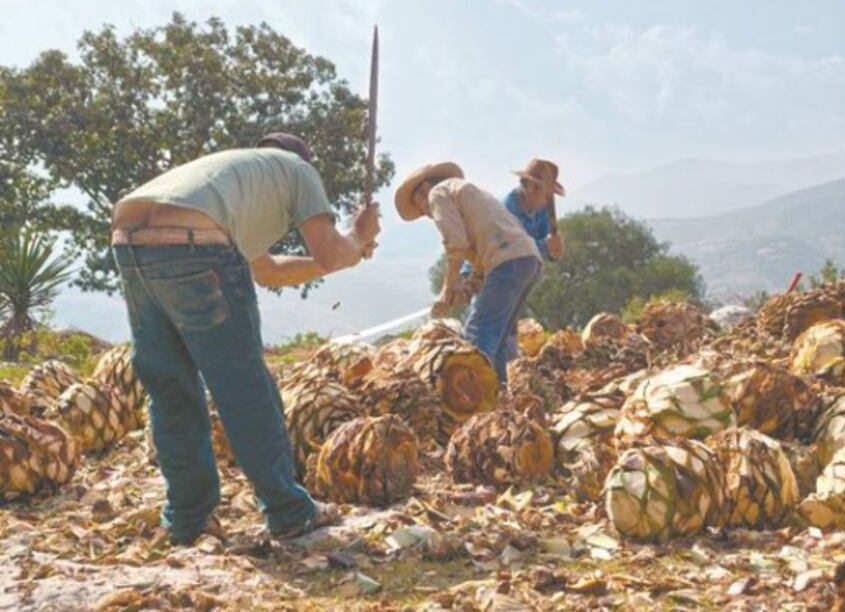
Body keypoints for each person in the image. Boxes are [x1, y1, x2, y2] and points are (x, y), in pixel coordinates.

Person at [110, 132, 380, 545]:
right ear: (302, 159)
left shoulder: (230, 177)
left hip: (130, 245)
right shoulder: (298, 169)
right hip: (196, 246)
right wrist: (358, 237)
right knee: (245, 386)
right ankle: (288, 510)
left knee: (170, 389)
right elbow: (329, 252)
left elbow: (269, 270)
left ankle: (187, 519)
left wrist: (345, 254)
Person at [394, 162, 541, 385]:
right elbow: (481, 252)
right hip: (527, 259)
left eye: (423, 208)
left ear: (425, 189)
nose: (428, 214)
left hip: (507, 261)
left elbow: (456, 246)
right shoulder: (465, 192)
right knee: (498, 339)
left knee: (478, 331)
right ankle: (499, 398)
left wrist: (446, 291)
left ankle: (477, 403)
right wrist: (469, 285)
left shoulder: (438, 193)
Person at [460, 158, 566, 358]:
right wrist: (544, 247)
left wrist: (553, 251)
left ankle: (499, 379)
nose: (548, 199)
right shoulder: (508, 209)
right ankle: (478, 372)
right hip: (483, 268)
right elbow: (512, 251)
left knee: (506, 328)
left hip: (512, 271)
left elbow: (537, 249)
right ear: (531, 188)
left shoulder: (542, 211)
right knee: (484, 327)